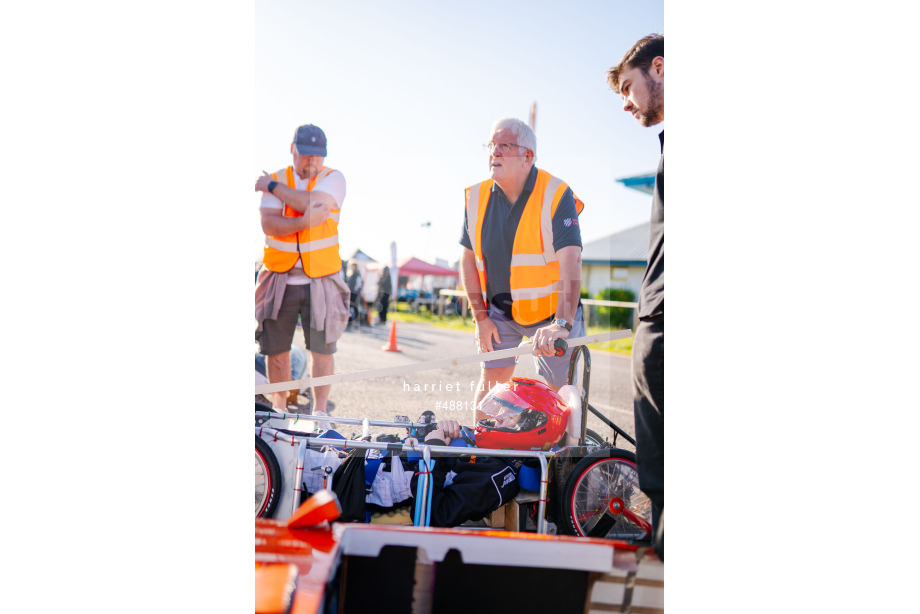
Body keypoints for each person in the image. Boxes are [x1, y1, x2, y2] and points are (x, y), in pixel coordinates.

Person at [459, 117, 586, 419]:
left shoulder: (556, 193)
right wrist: (481, 318)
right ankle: (480, 458)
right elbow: (466, 260)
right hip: (502, 310)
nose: (494, 152)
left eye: (504, 145)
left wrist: (563, 323)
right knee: (492, 387)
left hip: (552, 312)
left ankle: (560, 463)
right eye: (491, 145)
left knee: (562, 398)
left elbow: (572, 259)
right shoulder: (475, 197)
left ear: (528, 156)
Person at [607, 33, 664, 560]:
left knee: (664, 469)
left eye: (629, 87)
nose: (626, 102)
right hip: (659, 317)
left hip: (666, 322)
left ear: (660, 70)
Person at [254, 124, 350, 420]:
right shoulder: (282, 175)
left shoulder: (333, 178)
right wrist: (307, 219)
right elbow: (269, 225)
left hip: (321, 276)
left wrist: (273, 188)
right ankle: (279, 408)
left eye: (318, 156)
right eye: (306, 155)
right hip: (279, 275)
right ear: (293, 150)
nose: (312, 162)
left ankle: (320, 412)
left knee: (322, 346)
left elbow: (310, 203)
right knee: (275, 346)